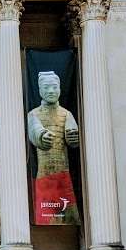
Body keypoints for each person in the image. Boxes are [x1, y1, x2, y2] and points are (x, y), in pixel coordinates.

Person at [27, 70, 80, 225]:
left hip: (63, 173)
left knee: (69, 217)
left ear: (60, 89)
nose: (51, 91)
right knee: (46, 217)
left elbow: (73, 136)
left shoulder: (66, 114)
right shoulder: (34, 114)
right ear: (39, 90)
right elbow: (35, 131)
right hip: (44, 174)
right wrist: (42, 136)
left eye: (54, 87)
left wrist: (73, 137)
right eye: (46, 87)